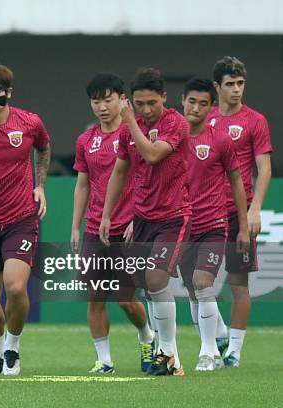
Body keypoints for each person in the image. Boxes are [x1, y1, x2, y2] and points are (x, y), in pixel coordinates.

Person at [100, 68, 191, 376]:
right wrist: (107, 214)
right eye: (139, 104)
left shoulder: (176, 123)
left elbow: (152, 155)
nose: (146, 110)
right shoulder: (131, 129)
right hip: (142, 218)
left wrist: (128, 121)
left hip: (174, 216)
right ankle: (171, 358)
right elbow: (120, 172)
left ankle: (165, 352)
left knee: (156, 280)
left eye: (152, 103)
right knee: (147, 287)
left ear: (164, 97)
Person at [0, 63, 50, 375]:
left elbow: (44, 149)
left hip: (21, 218)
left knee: (15, 288)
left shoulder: (29, 122)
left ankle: (14, 346)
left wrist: (40, 185)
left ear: (9, 93)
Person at [71, 73, 155, 374]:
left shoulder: (137, 135)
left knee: (125, 299)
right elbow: (83, 185)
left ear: (123, 99)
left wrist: (138, 217)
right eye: (97, 101)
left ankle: (147, 335)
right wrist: (75, 226)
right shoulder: (86, 140)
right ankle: (104, 360)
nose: (103, 107)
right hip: (96, 228)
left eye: (109, 99)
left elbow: (149, 179)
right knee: (94, 297)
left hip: (129, 227)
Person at [179, 78, 250, 371]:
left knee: (202, 284)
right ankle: (218, 335)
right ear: (182, 100)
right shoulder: (169, 140)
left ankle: (207, 353)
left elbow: (236, 180)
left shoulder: (220, 139)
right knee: (193, 291)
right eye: (191, 101)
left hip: (213, 223)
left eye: (203, 103)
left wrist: (243, 226)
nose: (196, 108)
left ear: (211, 108)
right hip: (181, 225)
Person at [207, 56, 272, 367]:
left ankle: (233, 351)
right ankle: (218, 333)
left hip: (238, 212)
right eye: (230, 84)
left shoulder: (255, 120)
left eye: (240, 83)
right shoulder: (203, 120)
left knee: (237, 283)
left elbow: (264, 167)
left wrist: (255, 207)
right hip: (205, 212)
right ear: (217, 87)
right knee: (197, 281)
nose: (236, 89)